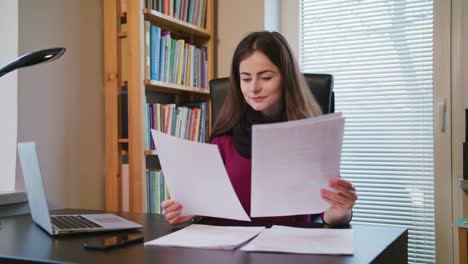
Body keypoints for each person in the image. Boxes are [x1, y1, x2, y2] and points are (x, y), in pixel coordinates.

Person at [161, 31, 357, 226]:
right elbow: (208, 204)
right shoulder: (224, 137)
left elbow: (328, 213)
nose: (254, 88)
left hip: (288, 246)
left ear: (286, 79)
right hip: (228, 247)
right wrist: (190, 210)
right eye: (246, 79)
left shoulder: (311, 134)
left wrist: (340, 210)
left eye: (266, 77)